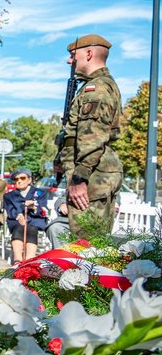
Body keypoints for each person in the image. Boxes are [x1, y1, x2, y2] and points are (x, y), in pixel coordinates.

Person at [60, 35, 123, 237]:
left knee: (86, 246)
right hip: (92, 175)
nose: (69, 61)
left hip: (91, 177)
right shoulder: (95, 86)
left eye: (72, 56)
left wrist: (80, 178)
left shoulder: (96, 88)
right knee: (89, 247)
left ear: (88, 53)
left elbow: (92, 136)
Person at [3, 168, 48, 263]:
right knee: (19, 227)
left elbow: (43, 210)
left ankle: (29, 260)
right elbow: (10, 210)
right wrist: (19, 215)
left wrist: (34, 208)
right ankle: (17, 260)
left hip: (35, 220)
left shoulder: (40, 193)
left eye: (22, 178)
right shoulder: (9, 196)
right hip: (16, 221)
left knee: (31, 228)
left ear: (29, 180)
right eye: (16, 179)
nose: (19, 181)